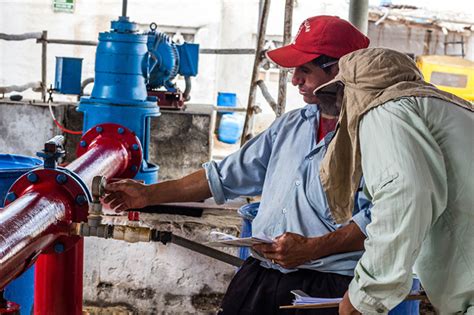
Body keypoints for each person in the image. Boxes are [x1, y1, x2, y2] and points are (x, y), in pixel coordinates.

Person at [104, 16, 370, 314]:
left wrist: (312, 249)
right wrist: (148, 195)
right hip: (262, 273)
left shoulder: (373, 136)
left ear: (339, 70)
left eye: (304, 70)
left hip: (329, 286)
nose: (295, 79)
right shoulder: (291, 126)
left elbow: (383, 219)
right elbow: (222, 177)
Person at [313, 48, 474, 314]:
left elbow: (405, 193)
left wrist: (366, 296)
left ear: (354, 93)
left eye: (341, 96)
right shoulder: (452, 108)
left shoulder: (385, 109)